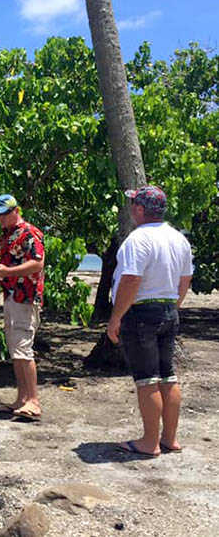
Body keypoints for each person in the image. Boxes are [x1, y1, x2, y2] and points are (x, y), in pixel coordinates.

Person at [107, 186, 193, 457]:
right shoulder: (178, 238)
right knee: (168, 376)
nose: (131, 209)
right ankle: (170, 438)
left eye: (133, 204)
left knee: (147, 380)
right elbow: (185, 279)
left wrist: (116, 317)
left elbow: (132, 279)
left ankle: (150, 441)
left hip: (142, 313)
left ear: (141, 209)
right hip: (168, 310)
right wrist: (172, 307)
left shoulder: (138, 239)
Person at [0, 194, 45, 421]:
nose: (0, 219)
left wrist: (6, 273)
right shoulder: (6, 235)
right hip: (12, 297)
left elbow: (37, 262)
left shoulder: (29, 233)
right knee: (15, 349)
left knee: (24, 348)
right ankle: (22, 398)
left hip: (26, 298)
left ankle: (33, 402)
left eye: (4, 214)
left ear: (16, 210)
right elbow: (1, 269)